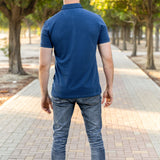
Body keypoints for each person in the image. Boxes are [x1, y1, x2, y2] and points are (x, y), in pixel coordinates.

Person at [39, 0, 114, 159]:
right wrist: (109, 86)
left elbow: (44, 65)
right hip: (90, 89)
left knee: (59, 138)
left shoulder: (50, 23)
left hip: (61, 90)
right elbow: (107, 59)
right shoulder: (96, 20)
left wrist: (44, 94)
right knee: (95, 138)